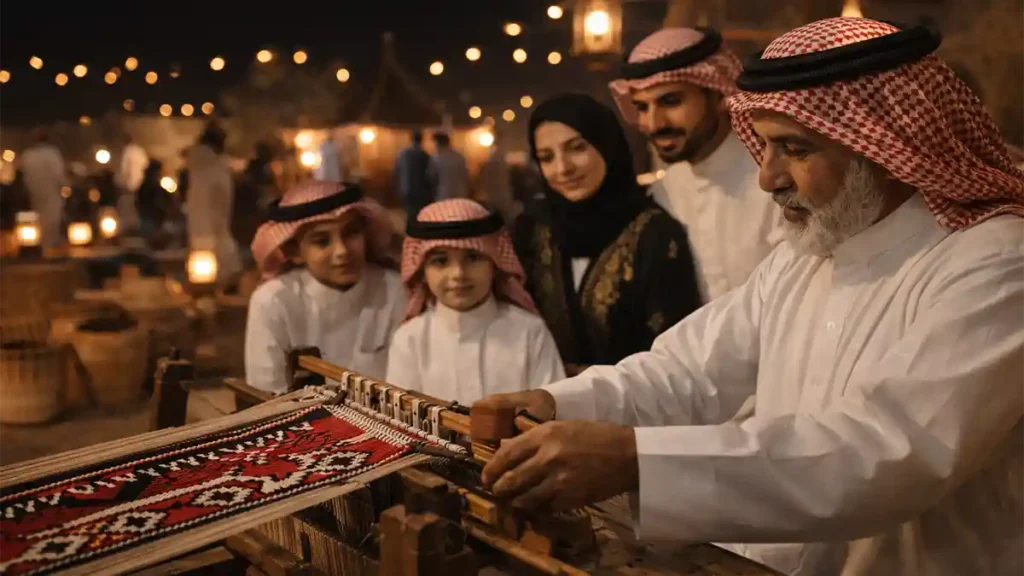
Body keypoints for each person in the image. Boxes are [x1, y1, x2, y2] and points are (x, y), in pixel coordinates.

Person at [476, 18, 1024, 576]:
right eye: (763, 146)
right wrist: (554, 405)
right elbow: (687, 371)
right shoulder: (805, 254)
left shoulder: (995, 264)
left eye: (794, 148)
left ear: (885, 148)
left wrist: (635, 462)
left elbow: (886, 450)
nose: (767, 177)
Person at [514, 94, 702, 375]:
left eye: (577, 148)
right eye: (546, 157)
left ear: (607, 146)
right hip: (539, 408)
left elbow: (673, 353)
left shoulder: (655, 234)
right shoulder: (530, 229)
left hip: (633, 410)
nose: (563, 168)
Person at [611, 28, 783, 301]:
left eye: (671, 101)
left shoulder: (776, 181)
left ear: (718, 95)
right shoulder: (663, 193)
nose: (654, 124)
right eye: (642, 107)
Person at [386, 199, 564, 404]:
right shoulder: (410, 340)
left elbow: (551, 411)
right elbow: (400, 423)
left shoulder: (529, 332)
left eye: (472, 258)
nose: (458, 274)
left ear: (495, 263)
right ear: (422, 272)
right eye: (441, 261)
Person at [247, 181, 405, 393]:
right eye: (322, 241)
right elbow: (266, 392)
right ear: (294, 250)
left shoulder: (395, 290)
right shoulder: (273, 301)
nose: (342, 251)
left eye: (351, 233)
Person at [184, 122, 243, 284]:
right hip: (212, 239)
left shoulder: (201, 167)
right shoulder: (213, 169)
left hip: (201, 236)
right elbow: (218, 206)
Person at [18, 128, 66, 248]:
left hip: (34, 195)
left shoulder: (27, 155)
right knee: (52, 223)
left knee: (37, 223)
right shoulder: (52, 154)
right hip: (51, 194)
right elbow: (59, 176)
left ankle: (39, 247)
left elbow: (24, 176)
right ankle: (49, 248)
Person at [393, 130, 434, 220]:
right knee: (419, 214)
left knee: (409, 212)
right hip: (420, 190)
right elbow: (429, 174)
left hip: (406, 188)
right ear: (421, 140)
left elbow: (396, 171)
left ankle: (409, 229)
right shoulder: (424, 155)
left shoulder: (403, 154)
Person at [114, 133, 148, 235]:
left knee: (128, 210)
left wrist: (119, 183)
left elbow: (124, 171)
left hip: (130, 187)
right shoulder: (140, 151)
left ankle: (128, 232)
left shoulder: (127, 152)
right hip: (142, 186)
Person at [428, 132, 471, 200]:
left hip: (444, 194)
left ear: (438, 143)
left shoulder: (436, 157)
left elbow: (431, 176)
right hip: (461, 194)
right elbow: (466, 176)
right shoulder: (459, 156)